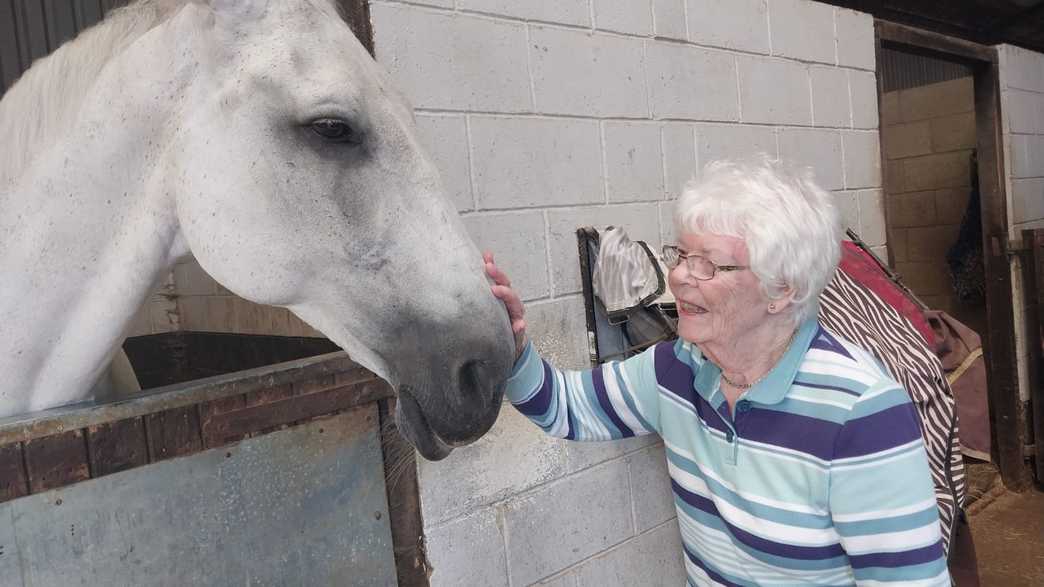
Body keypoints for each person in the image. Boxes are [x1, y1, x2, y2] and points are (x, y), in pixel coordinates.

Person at [484, 158, 950, 586]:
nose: (681, 276)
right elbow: (566, 408)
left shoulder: (861, 412)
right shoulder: (677, 370)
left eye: (708, 264)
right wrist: (511, 344)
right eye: (682, 255)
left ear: (781, 289)